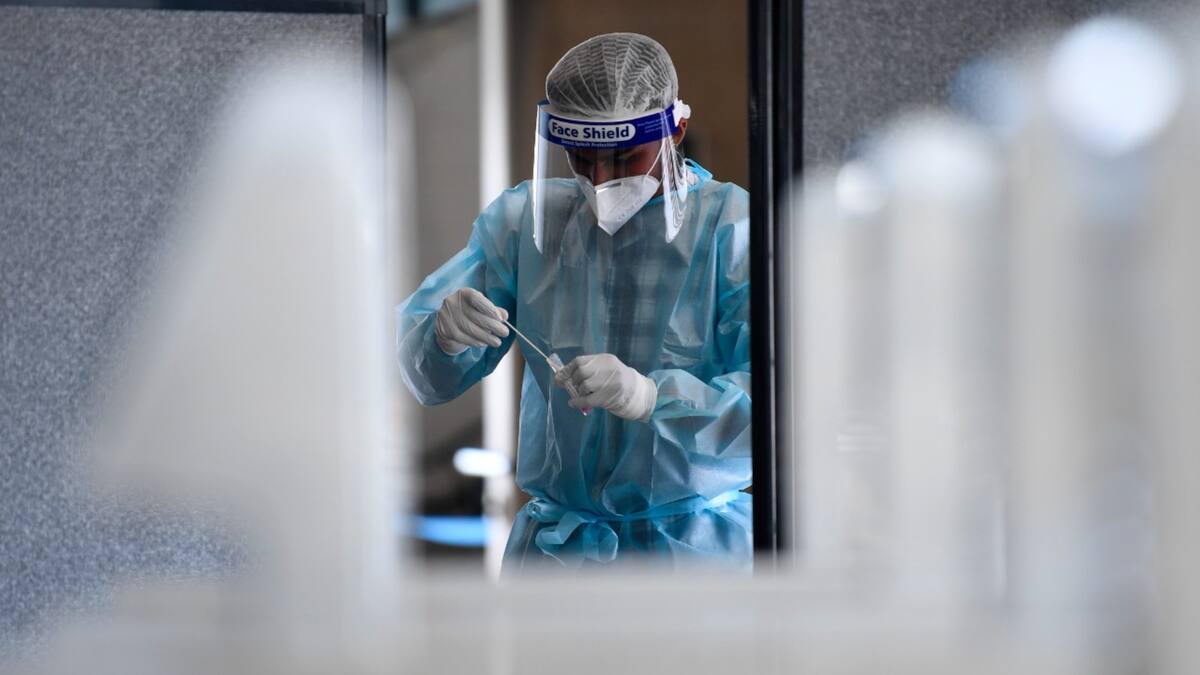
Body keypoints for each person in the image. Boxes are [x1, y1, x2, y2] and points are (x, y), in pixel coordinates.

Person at [396, 33, 751, 572]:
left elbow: (780, 405)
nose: (600, 181)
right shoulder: (526, 224)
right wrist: (440, 337)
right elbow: (424, 376)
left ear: (675, 129)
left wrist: (652, 398)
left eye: (624, 158)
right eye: (582, 160)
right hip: (557, 555)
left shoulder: (732, 230)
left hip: (694, 559)